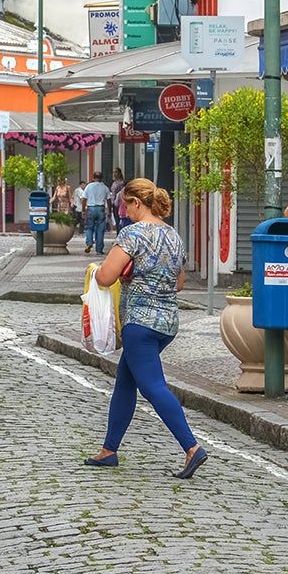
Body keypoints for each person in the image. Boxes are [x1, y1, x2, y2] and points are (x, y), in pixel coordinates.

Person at [84, 179, 207, 479]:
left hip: (140, 322)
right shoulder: (173, 235)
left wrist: (96, 270)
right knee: (126, 382)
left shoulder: (133, 234)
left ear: (138, 203)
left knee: (153, 386)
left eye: (127, 204)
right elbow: (179, 283)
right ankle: (109, 450)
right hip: (167, 323)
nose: (124, 210)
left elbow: (105, 278)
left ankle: (192, 448)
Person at [81, 171, 111, 255]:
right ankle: (99, 249)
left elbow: (83, 199)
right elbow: (109, 200)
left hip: (91, 208)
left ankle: (89, 243)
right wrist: (110, 211)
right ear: (101, 178)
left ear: (93, 178)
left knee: (89, 227)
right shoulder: (105, 187)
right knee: (100, 230)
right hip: (101, 208)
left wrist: (83, 210)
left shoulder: (89, 186)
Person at [108, 167, 127, 233]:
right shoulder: (114, 183)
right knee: (117, 220)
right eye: (113, 172)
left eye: (116, 172)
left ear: (119, 173)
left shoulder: (121, 183)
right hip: (114, 203)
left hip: (121, 203)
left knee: (120, 220)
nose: (114, 174)